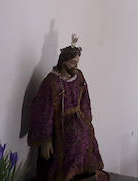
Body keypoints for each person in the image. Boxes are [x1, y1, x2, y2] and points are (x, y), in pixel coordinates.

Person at [30, 34, 104, 181]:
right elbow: (44, 112)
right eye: (72, 63)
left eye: (77, 62)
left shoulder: (79, 77)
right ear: (63, 62)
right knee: (69, 146)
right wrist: (45, 140)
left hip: (78, 123)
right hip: (60, 127)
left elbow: (85, 101)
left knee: (85, 138)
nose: (76, 66)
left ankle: (84, 172)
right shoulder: (51, 83)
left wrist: (86, 120)